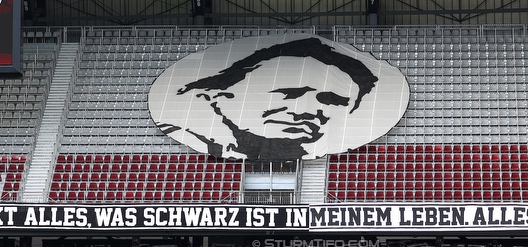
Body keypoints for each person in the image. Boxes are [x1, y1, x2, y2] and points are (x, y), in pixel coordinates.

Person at [160, 37, 379, 161]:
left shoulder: (316, 149)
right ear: (221, 96)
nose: (311, 110)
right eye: (291, 93)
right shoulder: (189, 132)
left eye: (332, 100)